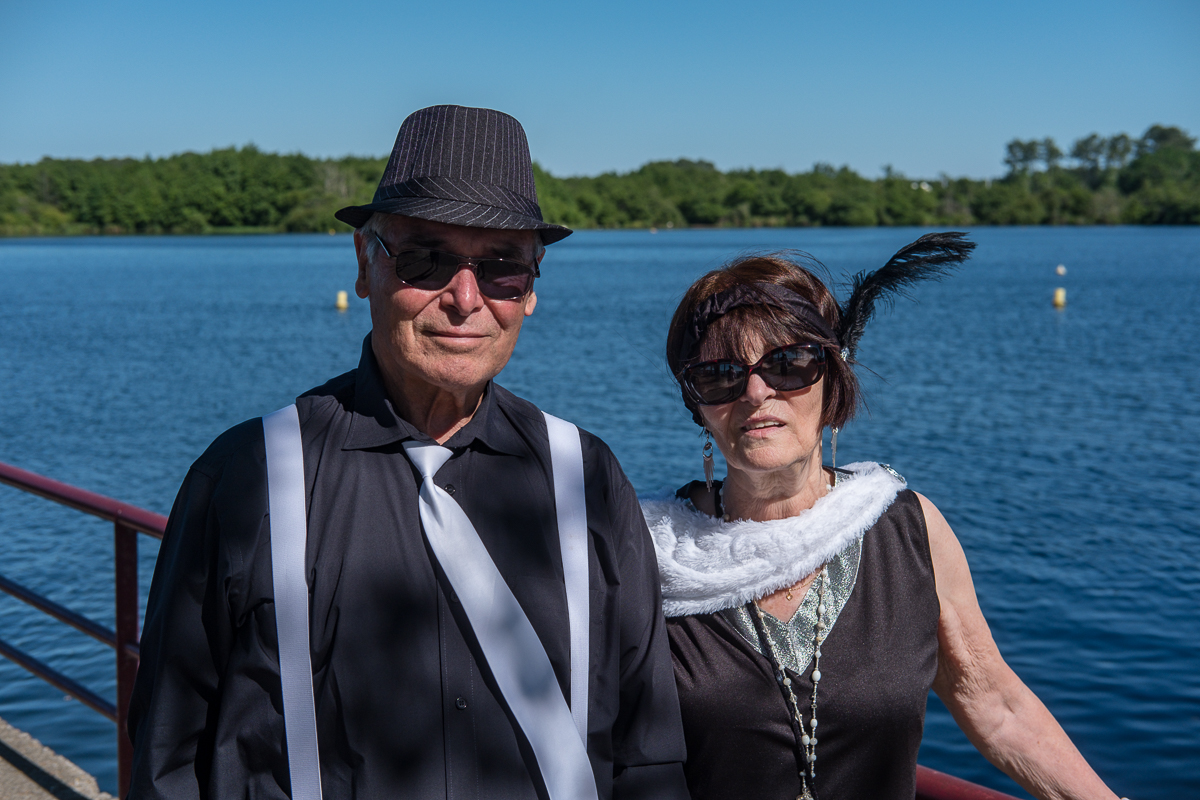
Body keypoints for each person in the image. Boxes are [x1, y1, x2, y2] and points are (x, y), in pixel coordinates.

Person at [127, 105, 689, 800]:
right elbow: (168, 761)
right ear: (364, 264)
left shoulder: (586, 479)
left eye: (502, 268)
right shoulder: (248, 478)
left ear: (530, 291)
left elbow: (648, 757)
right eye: (427, 259)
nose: (465, 299)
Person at [642, 237, 1123, 800]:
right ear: (697, 404)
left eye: (788, 364)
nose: (755, 392)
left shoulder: (908, 532)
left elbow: (995, 704)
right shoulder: (650, 553)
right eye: (720, 375)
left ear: (833, 379)